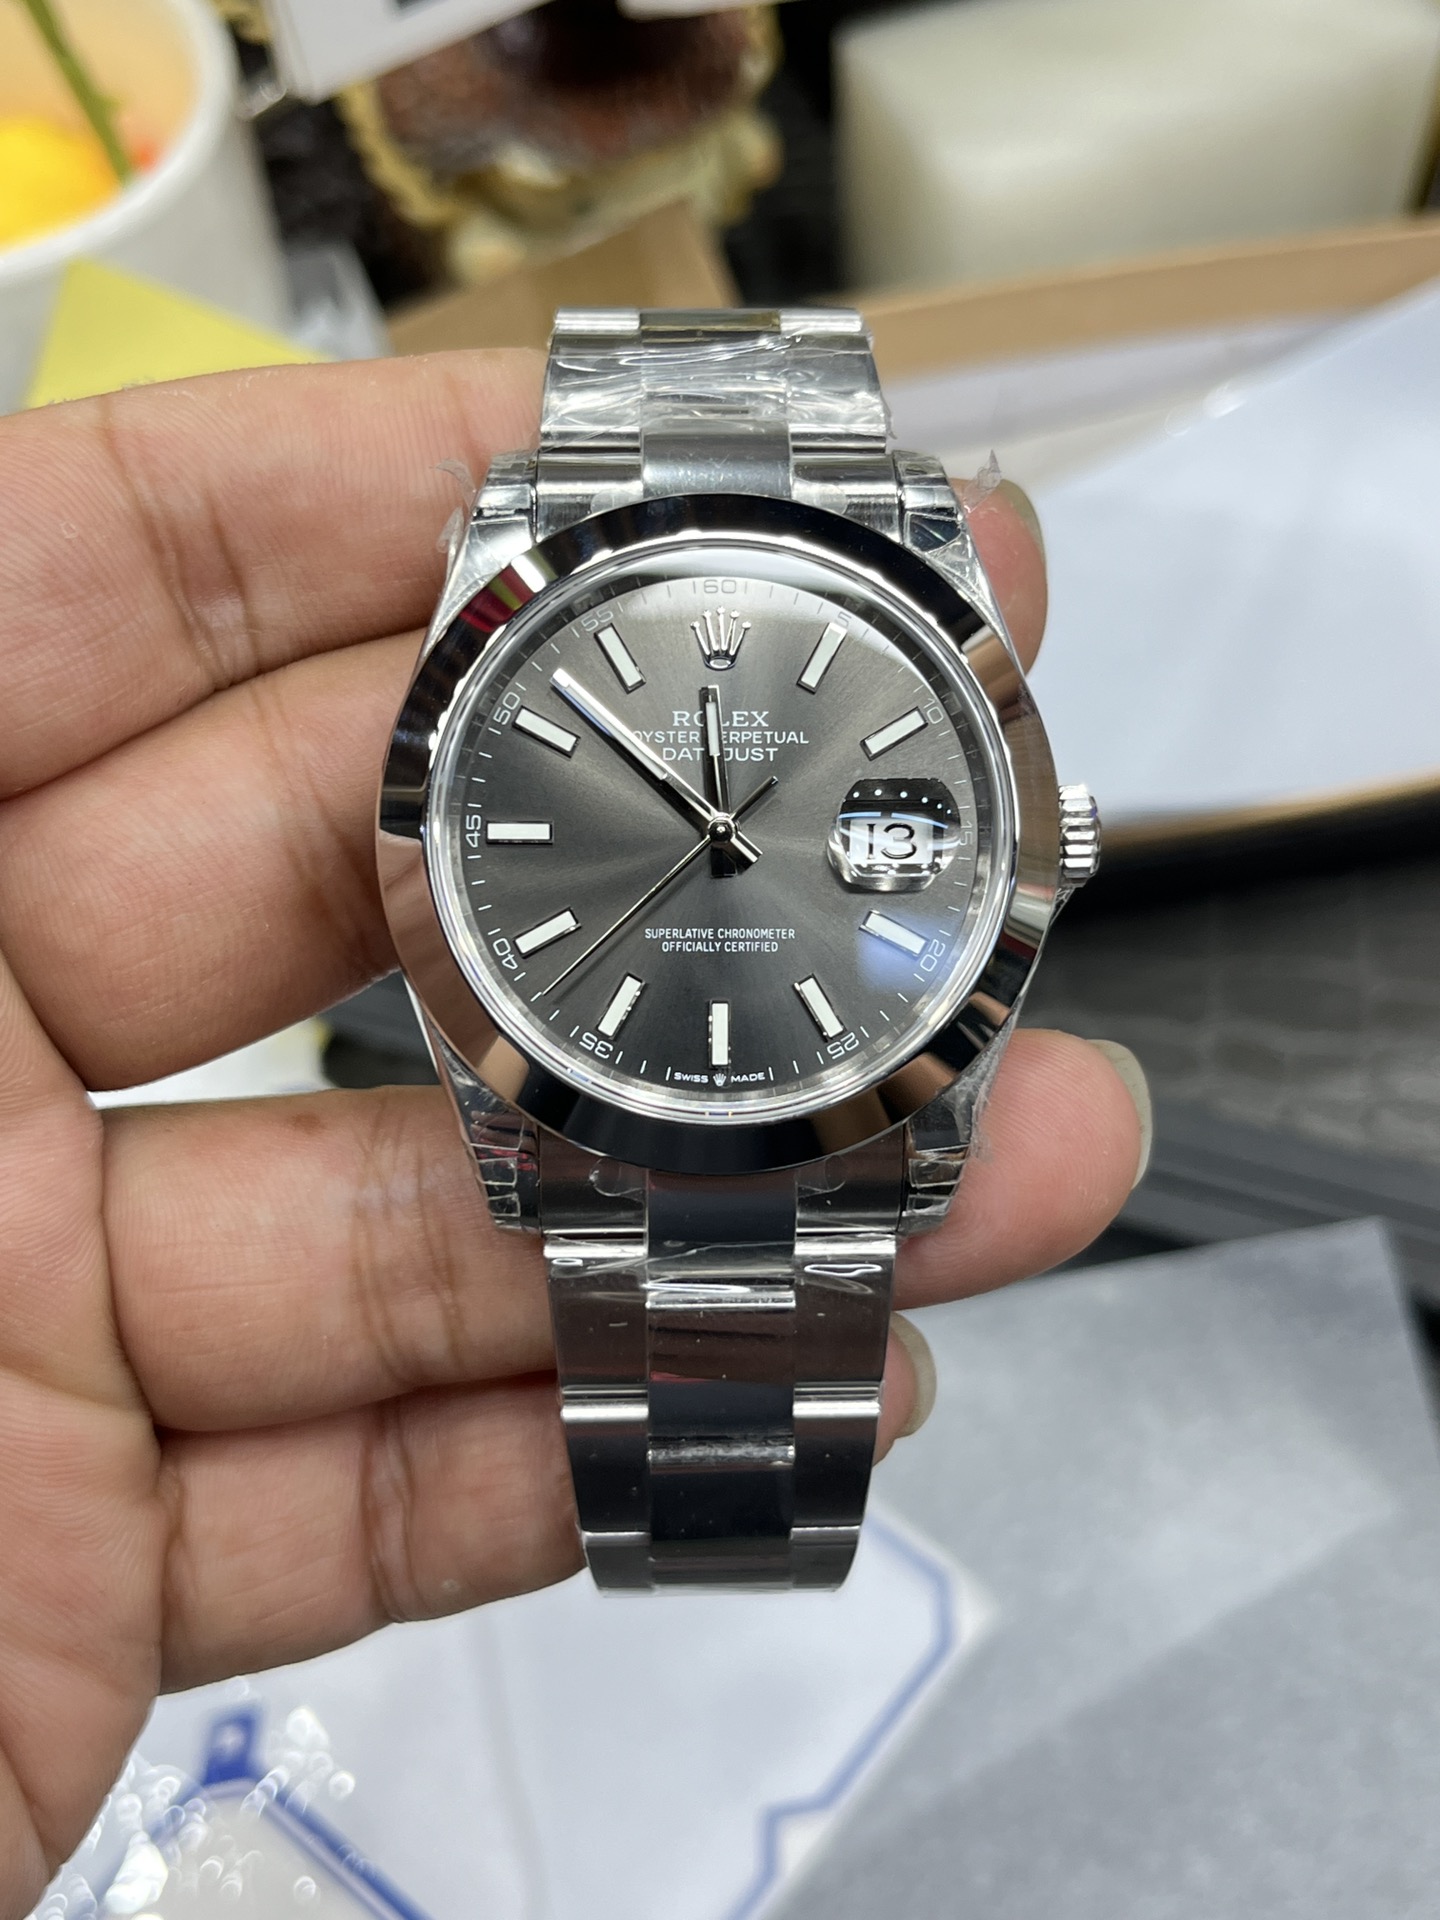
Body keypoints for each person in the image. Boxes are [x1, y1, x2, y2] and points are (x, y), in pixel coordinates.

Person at [0, 353, 1148, 1914]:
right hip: (661, 1078)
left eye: (736, 836)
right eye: (712, 833)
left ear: (1043, 843)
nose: (729, 845)